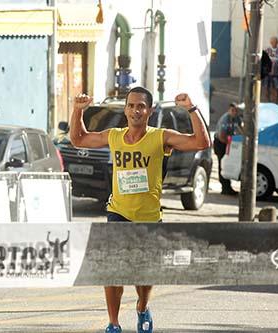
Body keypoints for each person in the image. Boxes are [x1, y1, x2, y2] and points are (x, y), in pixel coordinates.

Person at [69, 86, 210, 333]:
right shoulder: (114, 136)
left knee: (143, 274)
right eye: (131, 106)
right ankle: (113, 324)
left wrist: (191, 109)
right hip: (118, 212)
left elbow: (201, 142)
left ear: (150, 111)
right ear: (125, 110)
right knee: (112, 270)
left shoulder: (160, 137)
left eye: (141, 106)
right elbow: (78, 138)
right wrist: (77, 111)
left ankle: (143, 307)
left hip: (148, 217)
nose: (136, 110)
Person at [213, 103, 242, 195]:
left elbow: (241, 129)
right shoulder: (225, 120)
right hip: (220, 143)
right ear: (229, 110)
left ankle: (228, 187)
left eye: (236, 111)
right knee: (222, 164)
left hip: (228, 142)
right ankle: (224, 187)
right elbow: (222, 136)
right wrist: (230, 145)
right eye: (232, 110)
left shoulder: (237, 118)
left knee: (228, 164)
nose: (234, 112)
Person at [263, 37, 278, 103]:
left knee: (275, 88)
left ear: (277, 43)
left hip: (276, 74)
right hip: (267, 73)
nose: (273, 43)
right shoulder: (267, 50)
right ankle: (267, 102)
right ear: (270, 42)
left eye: (275, 42)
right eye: (272, 42)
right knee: (266, 88)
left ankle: (275, 103)